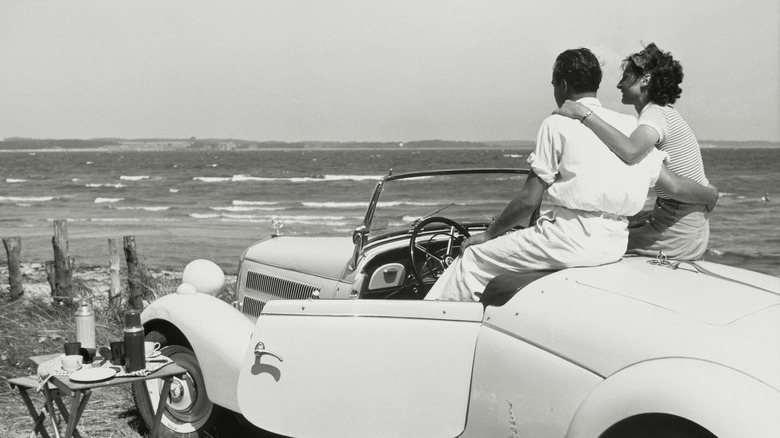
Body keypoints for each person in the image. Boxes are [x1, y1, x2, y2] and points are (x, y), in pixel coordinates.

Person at [424, 48, 716, 302]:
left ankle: (432, 326)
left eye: (554, 84)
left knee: (473, 258)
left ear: (562, 85)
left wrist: (488, 234)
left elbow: (529, 199)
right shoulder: (630, 124)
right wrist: (710, 194)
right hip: (613, 242)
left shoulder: (559, 122)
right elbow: (670, 183)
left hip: (570, 241)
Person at [554, 43, 716, 260]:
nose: (619, 84)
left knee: (596, 243)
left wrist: (583, 113)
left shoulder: (654, 115)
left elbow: (630, 151)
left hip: (678, 229)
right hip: (684, 222)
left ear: (645, 80)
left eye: (626, 76)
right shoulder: (662, 113)